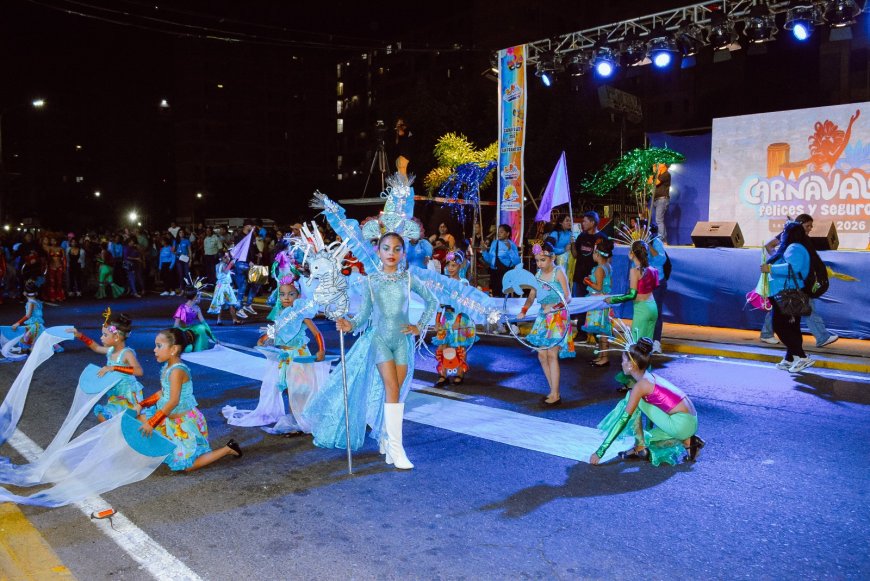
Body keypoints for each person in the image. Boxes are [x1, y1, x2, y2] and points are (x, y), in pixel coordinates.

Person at [304, 232, 438, 470]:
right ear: (379, 252)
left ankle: (387, 439)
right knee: (392, 388)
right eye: (386, 248)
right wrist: (350, 324)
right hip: (379, 339)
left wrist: (420, 326)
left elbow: (432, 301)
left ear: (403, 253)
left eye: (397, 249)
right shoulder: (371, 281)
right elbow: (364, 313)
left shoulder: (408, 278)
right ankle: (398, 449)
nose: (391, 253)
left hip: (402, 340)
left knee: (396, 395)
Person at [137, 328, 242, 471]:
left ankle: (228, 449)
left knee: (186, 466)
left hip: (184, 424)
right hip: (168, 419)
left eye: (159, 346)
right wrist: (141, 404)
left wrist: (152, 422)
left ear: (173, 349)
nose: (155, 350)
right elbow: (162, 392)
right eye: (156, 345)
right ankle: (167, 446)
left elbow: (173, 401)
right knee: (139, 418)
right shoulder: (168, 367)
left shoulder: (177, 371)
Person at [590, 338, 704, 466]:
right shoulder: (649, 377)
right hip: (691, 421)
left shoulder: (641, 386)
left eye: (623, 361)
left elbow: (624, 419)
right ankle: (690, 442)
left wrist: (600, 452)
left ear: (631, 365)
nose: (621, 364)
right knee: (649, 438)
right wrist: (647, 432)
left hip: (681, 424)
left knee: (631, 397)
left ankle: (641, 448)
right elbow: (655, 409)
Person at [760, 214, 838, 348]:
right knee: (803, 304)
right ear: (799, 224)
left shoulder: (799, 238)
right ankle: (821, 337)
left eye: (811, 226)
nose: (810, 229)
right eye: (808, 226)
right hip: (789, 278)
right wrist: (779, 260)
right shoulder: (790, 235)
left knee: (784, 306)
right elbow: (768, 246)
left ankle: (767, 334)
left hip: (792, 278)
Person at [518, 242, 573, 406]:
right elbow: (532, 295)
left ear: (552, 258)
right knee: (541, 355)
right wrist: (524, 310)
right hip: (543, 317)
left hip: (557, 316)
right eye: (537, 261)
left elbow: (568, 296)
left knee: (551, 354)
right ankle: (553, 390)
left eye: (542, 260)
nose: (539, 264)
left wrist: (554, 307)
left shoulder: (559, 272)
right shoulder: (538, 275)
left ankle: (555, 393)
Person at [761, 221, 818, 373]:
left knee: (780, 326)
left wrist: (770, 268)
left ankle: (802, 357)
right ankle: (790, 358)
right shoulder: (791, 247)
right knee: (792, 328)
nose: (782, 234)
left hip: (787, 292)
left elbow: (793, 268)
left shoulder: (795, 247)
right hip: (787, 292)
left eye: (784, 231)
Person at [70, 312, 144, 422]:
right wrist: (80, 336)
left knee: (112, 418)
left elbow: (139, 371)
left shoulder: (127, 353)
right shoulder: (110, 351)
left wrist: (114, 368)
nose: (101, 338)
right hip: (116, 394)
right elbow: (95, 347)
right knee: (108, 418)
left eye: (105, 335)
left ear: (116, 337)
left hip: (128, 396)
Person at [431, 250, 478, 387]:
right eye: (449, 265)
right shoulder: (443, 282)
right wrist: (437, 320)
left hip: (459, 318)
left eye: (454, 265)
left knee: (458, 347)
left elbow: (464, 305)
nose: (450, 268)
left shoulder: (463, 283)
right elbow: (439, 303)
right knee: (442, 346)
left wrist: (458, 320)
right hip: (447, 317)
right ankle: (442, 375)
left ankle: (459, 373)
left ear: (460, 266)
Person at [606, 240, 659, 343]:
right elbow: (654, 286)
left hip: (642, 309)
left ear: (632, 253)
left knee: (636, 343)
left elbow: (632, 295)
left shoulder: (635, 271)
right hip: (653, 307)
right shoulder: (653, 270)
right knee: (647, 344)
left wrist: (612, 300)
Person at [582, 238, 615, 367]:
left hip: (598, 301)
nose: (593, 255)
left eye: (594, 253)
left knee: (603, 332)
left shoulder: (599, 269)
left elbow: (599, 287)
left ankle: (604, 358)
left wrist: (588, 281)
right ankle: (602, 356)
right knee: (602, 331)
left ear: (598, 254)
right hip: (604, 301)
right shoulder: (607, 266)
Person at [571, 211, 608, 299]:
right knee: (578, 306)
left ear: (592, 222)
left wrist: (600, 275)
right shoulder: (581, 236)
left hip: (594, 279)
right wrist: (572, 243)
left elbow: (607, 259)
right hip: (579, 277)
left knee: (591, 309)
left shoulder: (602, 238)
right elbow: (575, 255)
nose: (582, 224)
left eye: (585, 221)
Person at [647, 223, 670, 353]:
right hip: (644, 282)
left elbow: (661, 260)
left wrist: (649, 245)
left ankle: (656, 342)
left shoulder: (656, 242)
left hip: (657, 282)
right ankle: (646, 340)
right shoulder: (639, 243)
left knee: (656, 312)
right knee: (645, 312)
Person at [482, 224, 521, 297]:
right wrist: (484, 251)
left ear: (507, 233)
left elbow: (517, 261)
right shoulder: (494, 243)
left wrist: (510, 250)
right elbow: (490, 260)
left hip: (505, 272)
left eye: (501, 232)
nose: (499, 233)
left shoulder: (511, 244)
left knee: (505, 294)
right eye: (498, 232)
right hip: (494, 272)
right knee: (495, 294)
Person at [173, 286, 217, 351]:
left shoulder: (197, 308)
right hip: (182, 331)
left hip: (191, 330)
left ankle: (199, 348)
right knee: (188, 348)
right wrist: (173, 339)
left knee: (201, 328)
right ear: (195, 297)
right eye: (199, 295)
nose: (200, 297)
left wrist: (213, 337)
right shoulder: (182, 308)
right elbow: (176, 325)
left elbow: (204, 323)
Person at [208, 252, 245, 324]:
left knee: (221, 303)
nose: (228, 258)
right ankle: (234, 320)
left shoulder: (217, 265)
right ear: (221, 258)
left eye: (228, 257)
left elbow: (219, 275)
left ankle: (219, 320)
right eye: (225, 257)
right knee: (230, 303)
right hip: (225, 287)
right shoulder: (223, 265)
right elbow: (225, 271)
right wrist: (231, 263)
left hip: (220, 286)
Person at [11, 281, 44, 353]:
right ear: (36, 293)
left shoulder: (30, 303)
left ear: (24, 293)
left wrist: (18, 323)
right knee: (32, 344)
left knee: (29, 345)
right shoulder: (38, 302)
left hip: (35, 326)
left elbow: (28, 315)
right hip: (38, 326)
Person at [652, 163, 671, 244]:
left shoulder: (666, 174)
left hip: (662, 199)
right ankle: (664, 241)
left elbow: (656, 182)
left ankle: (661, 240)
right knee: (659, 220)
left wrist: (655, 173)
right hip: (656, 199)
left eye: (660, 163)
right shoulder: (659, 175)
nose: (658, 165)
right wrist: (655, 173)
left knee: (659, 220)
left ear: (664, 165)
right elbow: (650, 182)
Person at [46, 238, 66, 302]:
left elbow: (64, 259)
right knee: (52, 282)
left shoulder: (61, 249)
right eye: (52, 240)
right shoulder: (49, 249)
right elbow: (47, 259)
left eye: (54, 240)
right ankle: (52, 296)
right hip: (52, 267)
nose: (53, 242)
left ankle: (59, 296)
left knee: (59, 282)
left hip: (59, 266)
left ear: (57, 241)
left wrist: (64, 267)